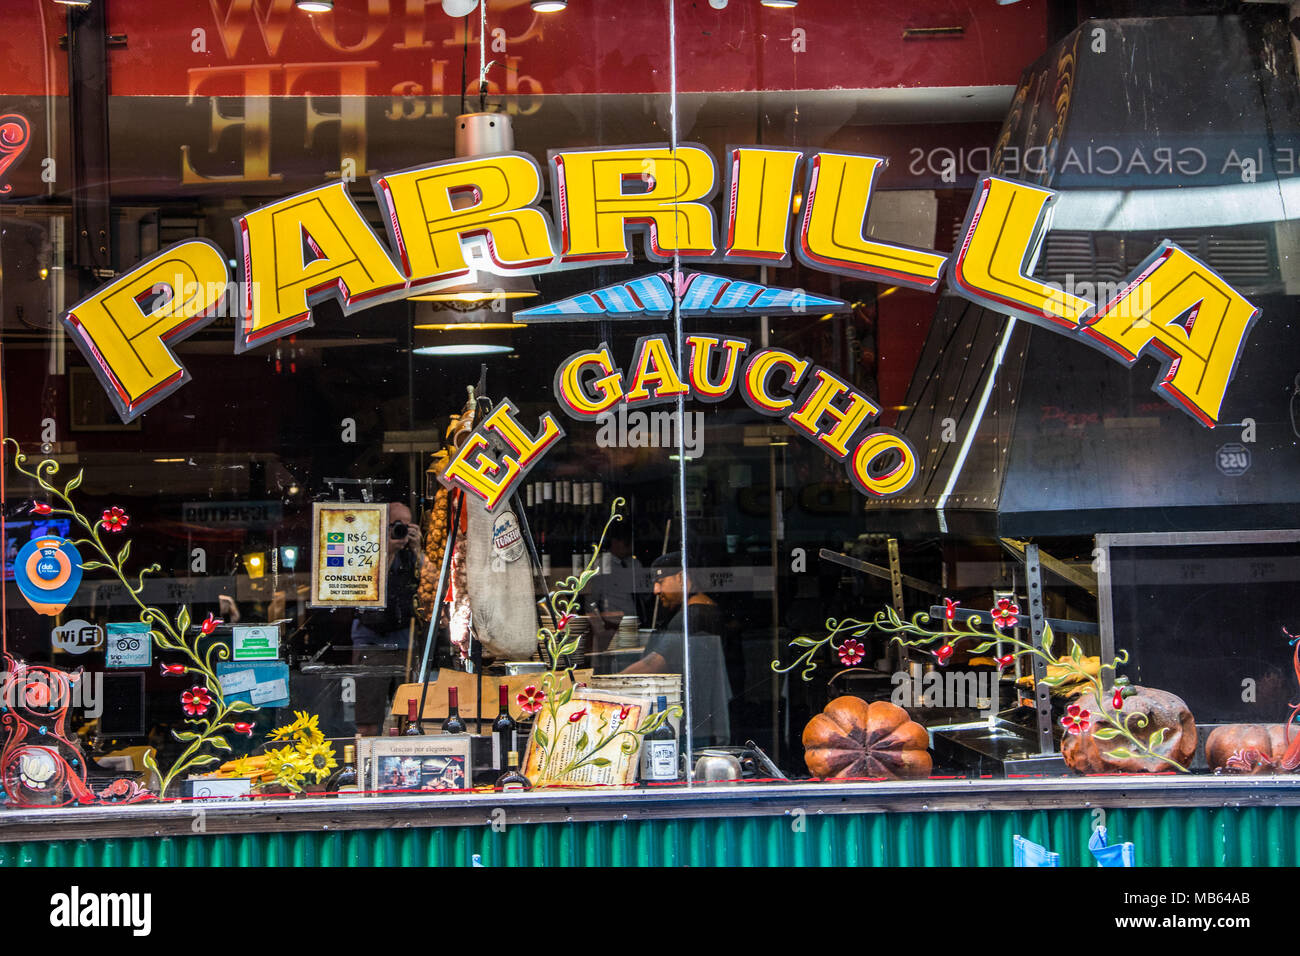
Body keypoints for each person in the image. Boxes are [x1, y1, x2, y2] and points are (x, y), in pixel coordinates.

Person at [621, 552, 720, 674]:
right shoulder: (707, 610)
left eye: (660, 582)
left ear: (682, 579)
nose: (655, 590)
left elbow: (653, 665)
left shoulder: (688, 618)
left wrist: (614, 681)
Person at [350, 501, 424, 651]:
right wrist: (387, 551)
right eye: (397, 524)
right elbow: (366, 585)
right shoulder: (365, 546)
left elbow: (432, 581)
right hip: (368, 633)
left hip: (403, 634)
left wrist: (417, 549)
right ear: (382, 523)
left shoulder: (410, 552)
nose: (401, 530)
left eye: (406, 526)